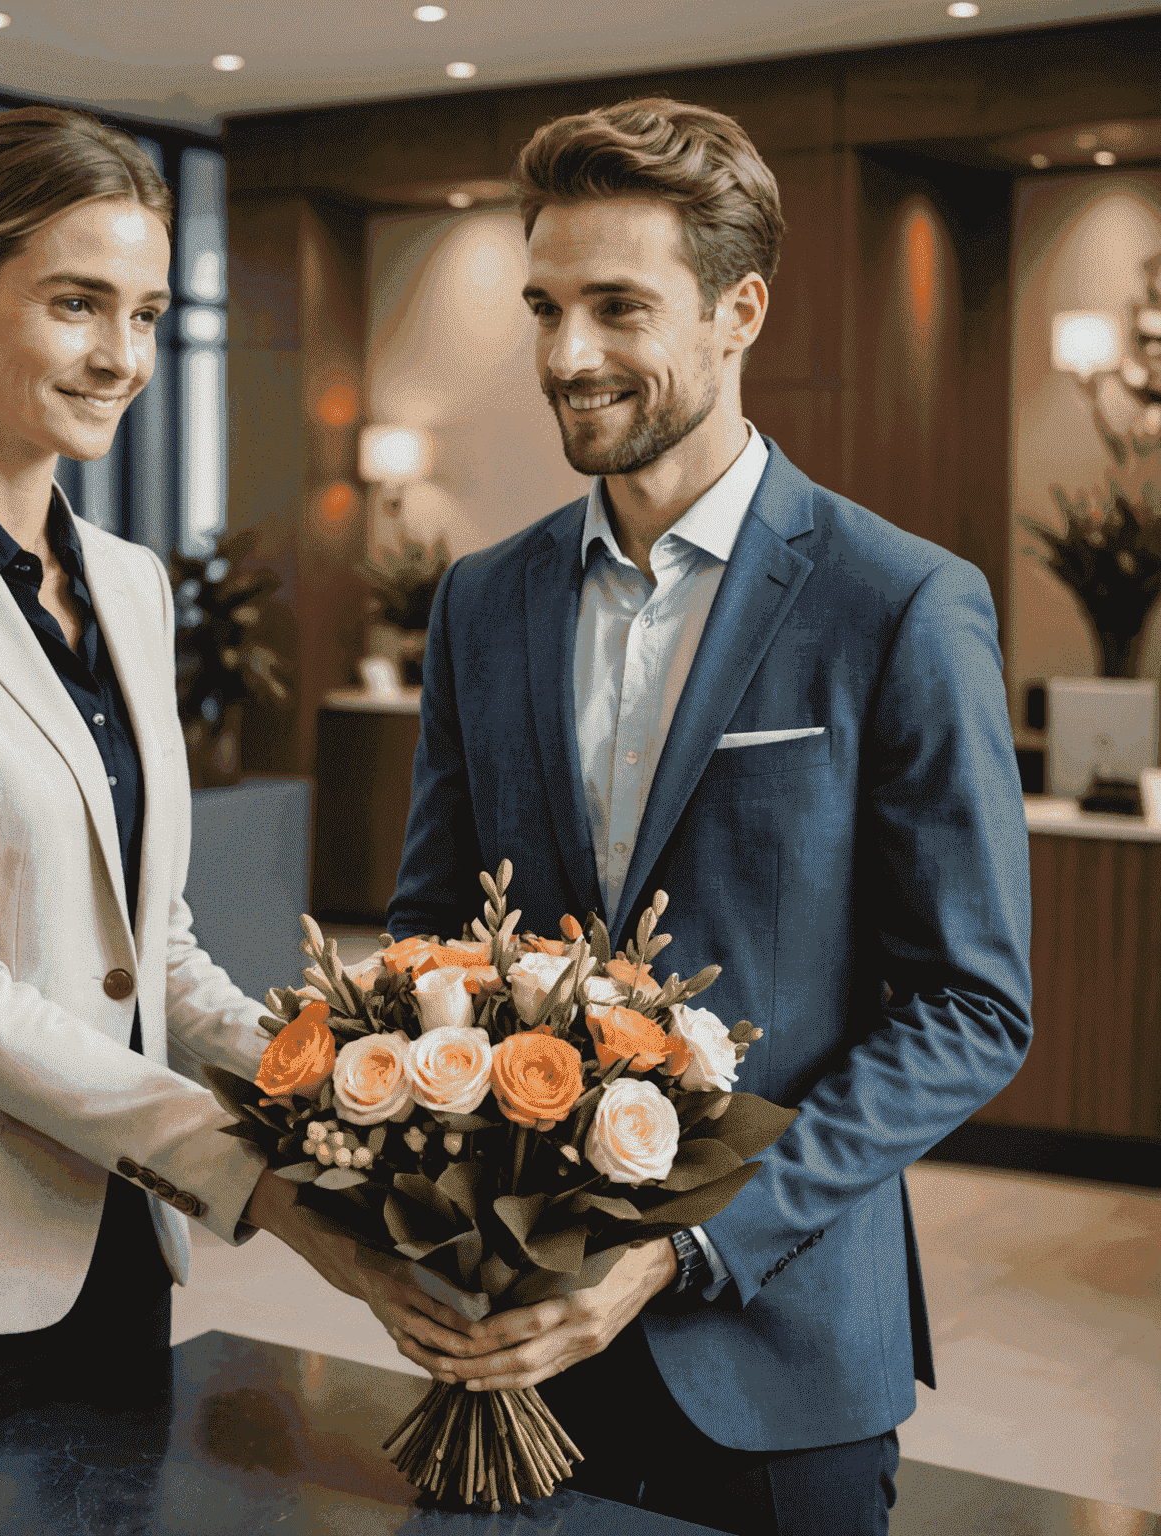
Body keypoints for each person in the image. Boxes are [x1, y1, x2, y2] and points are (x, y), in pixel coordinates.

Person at [0, 105, 447, 1500]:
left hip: (120, 1257)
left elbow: (154, 939)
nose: (121, 357)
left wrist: (345, 1103)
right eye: (77, 304)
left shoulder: (128, 581)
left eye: (143, 313)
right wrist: (255, 1178)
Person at [383, 98, 1033, 1534]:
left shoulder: (900, 600)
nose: (569, 355)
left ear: (741, 310)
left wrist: (678, 1252)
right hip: (514, 1356)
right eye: (546, 306)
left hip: (779, 1356)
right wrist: (426, 1204)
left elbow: (970, 1008)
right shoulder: (482, 601)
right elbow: (433, 934)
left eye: (620, 307)